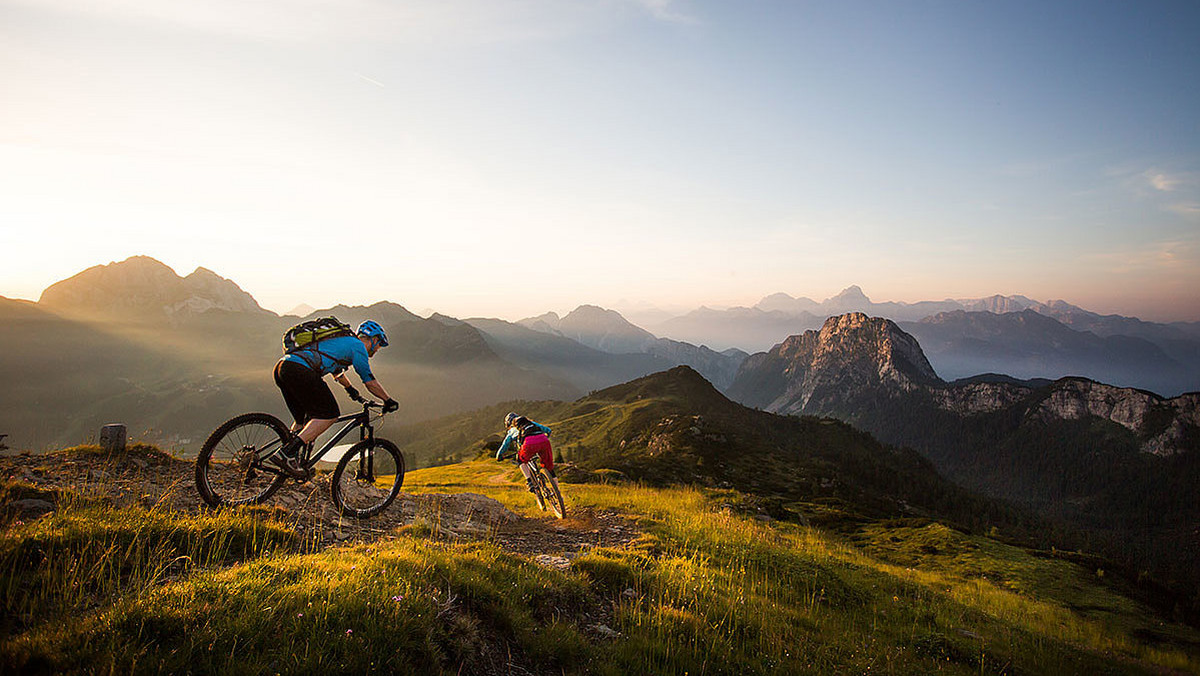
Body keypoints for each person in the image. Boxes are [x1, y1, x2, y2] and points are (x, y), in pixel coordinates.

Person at [272, 320, 398, 478]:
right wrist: (388, 400)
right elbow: (370, 382)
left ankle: (291, 461)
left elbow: (337, 372)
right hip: (301, 370)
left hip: (283, 367)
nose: (378, 348)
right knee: (329, 414)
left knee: (303, 420)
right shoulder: (358, 347)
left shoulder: (342, 341)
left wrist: (350, 389)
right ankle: (287, 453)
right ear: (373, 339)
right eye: (379, 343)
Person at [495, 412, 560, 495]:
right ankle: (557, 492)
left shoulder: (512, 430)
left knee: (520, 460)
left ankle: (529, 482)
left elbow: (505, 444)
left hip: (528, 444)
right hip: (544, 441)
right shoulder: (530, 423)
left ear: (508, 424)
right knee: (549, 467)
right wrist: (543, 438)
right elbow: (548, 430)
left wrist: (498, 455)